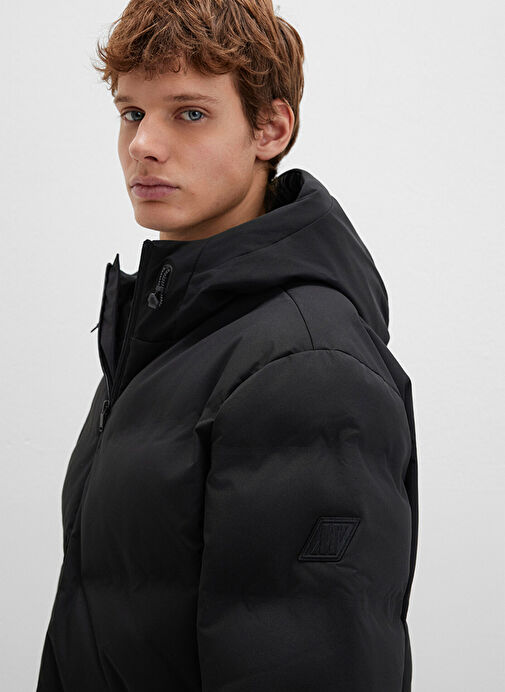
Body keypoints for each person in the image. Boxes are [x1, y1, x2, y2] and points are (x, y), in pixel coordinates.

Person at [35, 1, 419, 690]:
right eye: (131, 112)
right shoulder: (171, 333)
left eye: (189, 113)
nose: (143, 144)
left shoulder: (305, 368)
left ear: (270, 128)